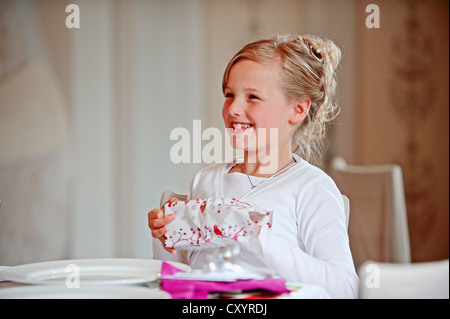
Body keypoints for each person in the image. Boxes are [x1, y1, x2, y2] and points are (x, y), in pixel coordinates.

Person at [148, 34, 359, 298]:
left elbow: (344, 288)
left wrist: (258, 235)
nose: (233, 108)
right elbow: (182, 277)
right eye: (229, 94)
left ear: (297, 109)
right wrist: (165, 238)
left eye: (253, 97)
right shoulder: (205, 179)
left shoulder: (312, 188)